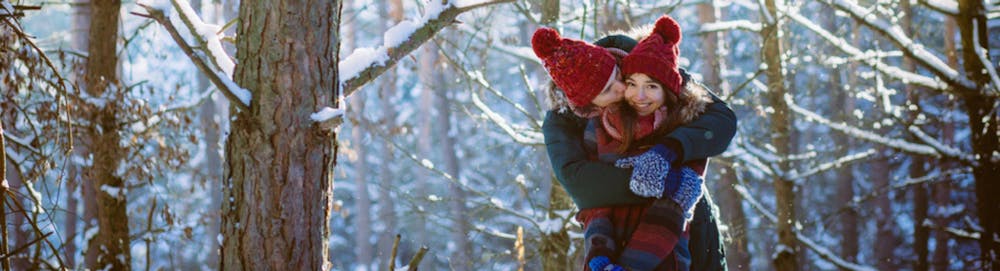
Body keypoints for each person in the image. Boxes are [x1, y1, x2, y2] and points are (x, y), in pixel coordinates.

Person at [536, 18, 736, 271]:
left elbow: (721, 121)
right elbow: (579, 182)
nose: (625, 89)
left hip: (688, 225)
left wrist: (670, 150)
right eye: (608, 89)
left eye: (622, 77)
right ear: (585, 103)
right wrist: (664, 181)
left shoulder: (652, 65)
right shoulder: (564, 116)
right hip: (613, 229)